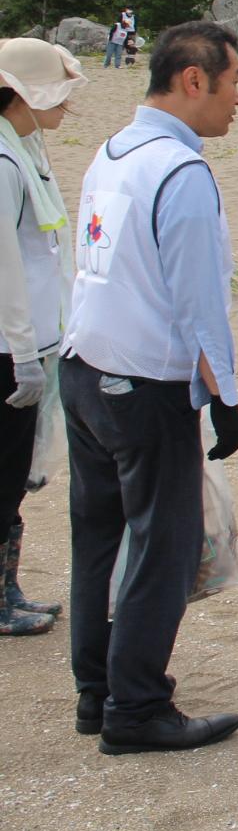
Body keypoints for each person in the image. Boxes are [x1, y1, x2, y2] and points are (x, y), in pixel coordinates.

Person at [62, 21, 238, 752]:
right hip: (142, 380)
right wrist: (224, 395)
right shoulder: (181, 172)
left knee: (99, 533)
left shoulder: (112, 151)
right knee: (162, 544)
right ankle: (135, 706)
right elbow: (199, 298)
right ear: (193, 79)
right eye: (234, 82)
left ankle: (95, 688)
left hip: (84, 366)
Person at [0, 39, 87, 637]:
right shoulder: (4, 163)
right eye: (59, 94)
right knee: (4, 474)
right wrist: (23, 354)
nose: (66, 108)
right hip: (11, 350)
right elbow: (5, 265)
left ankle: (8, 587)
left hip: (34, 340)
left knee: (17, 474)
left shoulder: (24, 149)